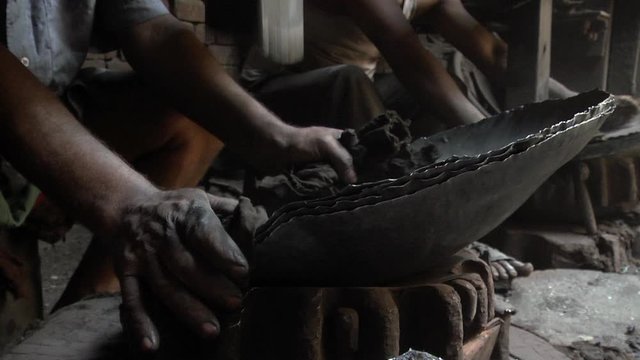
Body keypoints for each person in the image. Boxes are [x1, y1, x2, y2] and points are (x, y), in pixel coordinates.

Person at [0, 0, 356, 353]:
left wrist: (276, 135)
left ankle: (87, 305)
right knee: (13, 332)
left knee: (197, 119)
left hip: (52, 104)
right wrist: (127, 202)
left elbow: (151, 27)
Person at [242, 0, 535, 279]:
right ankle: (418, 227)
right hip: (272, 105)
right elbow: (409, 59)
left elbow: (496, 55)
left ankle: (447, 218)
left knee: (432, 89)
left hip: (348, 98)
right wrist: (499, 146)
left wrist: (571, 106)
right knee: (356, 81)